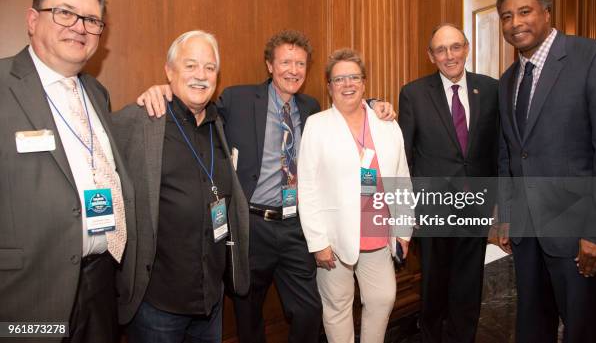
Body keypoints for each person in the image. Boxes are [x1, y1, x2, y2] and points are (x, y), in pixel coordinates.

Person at [137, 30, 396, 343]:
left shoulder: (311, 107)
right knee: (248, 311)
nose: (293, 70)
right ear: (269, 66)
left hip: (296, 227)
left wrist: (374, 103)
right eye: (285, 62)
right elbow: (196, 106)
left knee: (309, 310)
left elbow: (345, 111)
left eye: (300, 64)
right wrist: (164, 90)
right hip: (253, 225)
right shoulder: (238, 98)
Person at [0, 0, 135, 343]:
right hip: (27, 293)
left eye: (91, 20)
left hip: (99, 282)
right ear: (32, 20)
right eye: (64, 13)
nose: (79, 27)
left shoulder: (97, 93)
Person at [111, 30, 249, 342]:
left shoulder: (220, 125)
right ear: (169, 72)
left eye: (210, 67)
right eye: (190, 66)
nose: (201, 76)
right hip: (157, 305)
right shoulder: (140, 121)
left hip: (211, 301)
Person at [496, 0, 596, 343]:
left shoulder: (593, 57)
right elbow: (510, 153)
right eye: (507, 16)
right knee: (533, 326)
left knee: (584, 329)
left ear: (547, 12)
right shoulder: (508, 79)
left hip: (578, 234)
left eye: (525, 11)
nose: (516, 23)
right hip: (528, 234)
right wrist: (506, 216)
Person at [298, 48, 411, 343]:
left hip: (377, 231)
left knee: (382, 298)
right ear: (329, 87)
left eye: (354, 77)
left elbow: (401, 179)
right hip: (334, 239)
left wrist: (403, 230)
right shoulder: (317, 125)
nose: (347, 84)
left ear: (363, 83)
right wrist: (318, 241)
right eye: (339, 79)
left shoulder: (386, 123)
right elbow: (306, 187)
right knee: (337, 307)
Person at [398, 24, 498, 343]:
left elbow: (497, 149)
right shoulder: (413, 93)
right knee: (433, 287)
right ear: (431, 56)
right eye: (441, 50)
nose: (449, 55)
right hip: (432, 209)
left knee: (469, 286)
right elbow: (406, 156)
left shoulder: (491, 89)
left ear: (466, 48)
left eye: (455, 47)